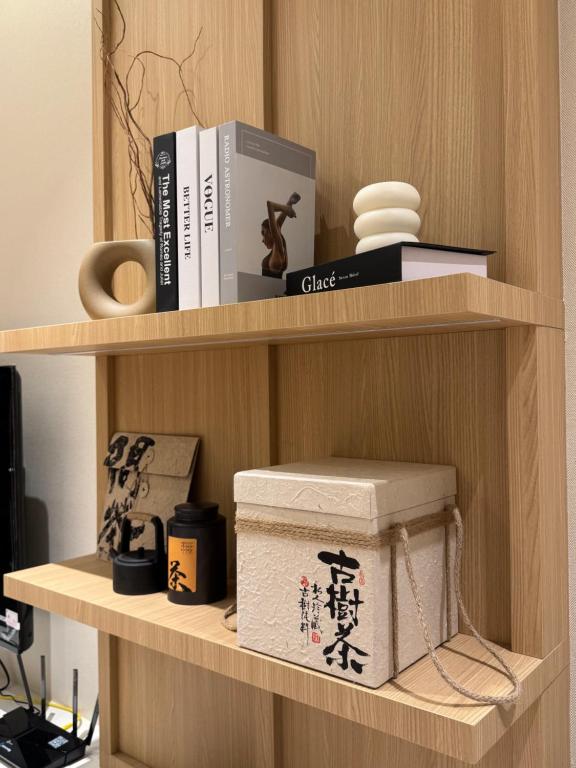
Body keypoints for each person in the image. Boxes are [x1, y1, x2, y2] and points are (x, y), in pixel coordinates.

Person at [261, 192, 301, 277]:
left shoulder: (278, 249)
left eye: (263, 233)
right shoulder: (278, 248)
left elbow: (270, 205)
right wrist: (289, 203)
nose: (262, 240)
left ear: (271, 232)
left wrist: (286, 209)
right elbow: (278, 225)